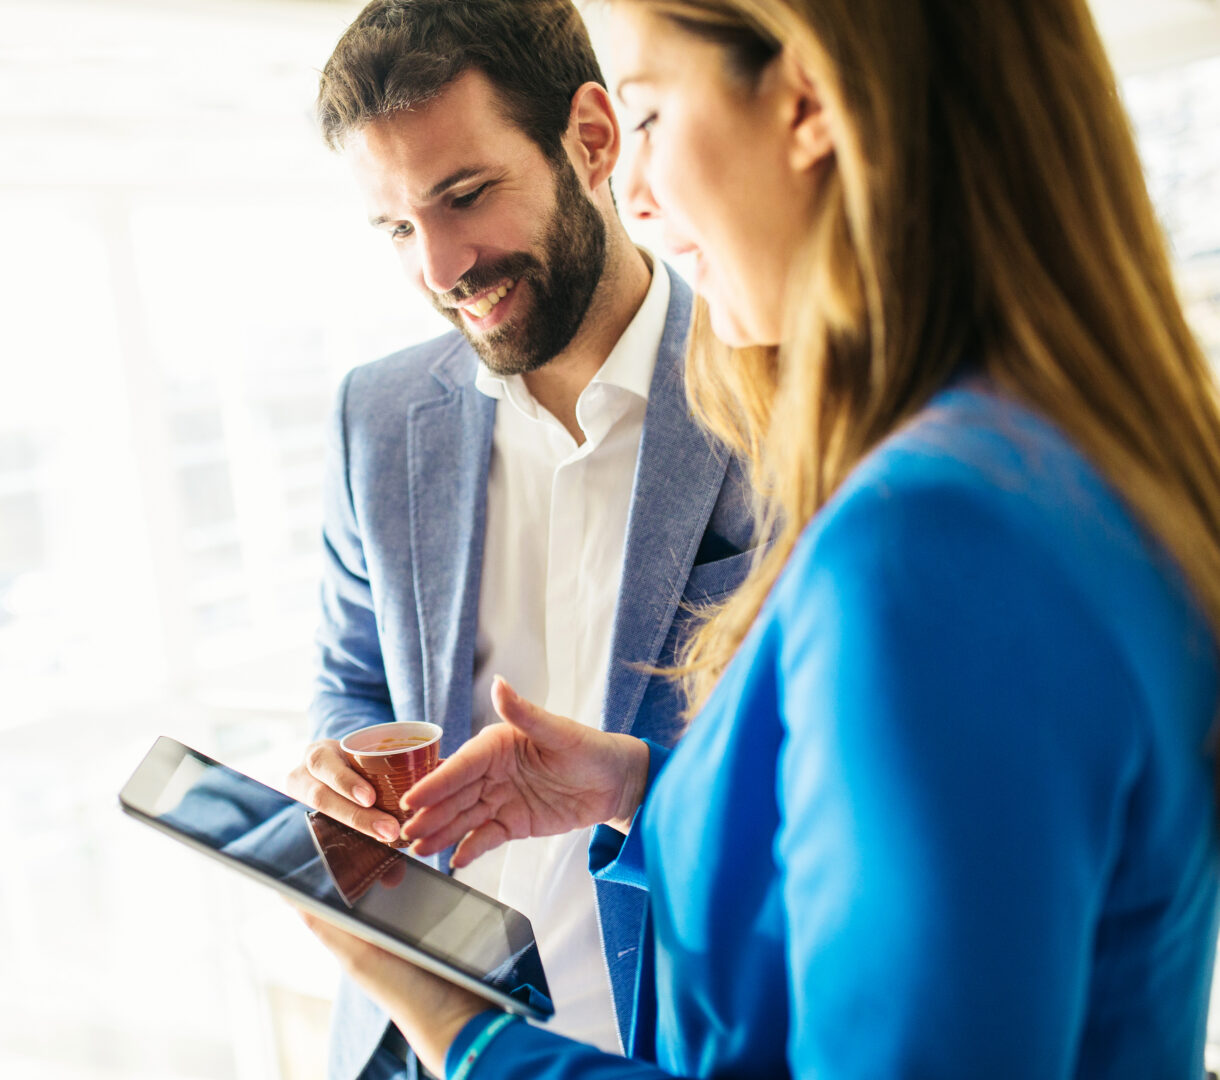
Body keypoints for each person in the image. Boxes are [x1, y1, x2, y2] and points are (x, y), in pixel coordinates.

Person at [299, 0, 1220, 1076]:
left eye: (645, 117)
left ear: (807, 104)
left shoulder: (926, 538)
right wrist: (639, 790)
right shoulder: (1057, 461)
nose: (636, 193)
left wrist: (457, 1030)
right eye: (399, 226)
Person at [285, 2, 758, 1078]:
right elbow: (349, 685)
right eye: (399, 228)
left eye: (464, 196)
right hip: (423, 1044)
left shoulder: (778, 401)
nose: (442, 266)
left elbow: (815, 770)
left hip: (670, 1041)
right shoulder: (376, 419)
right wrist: (345, 769)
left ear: (593, 140)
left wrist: (640, 782)